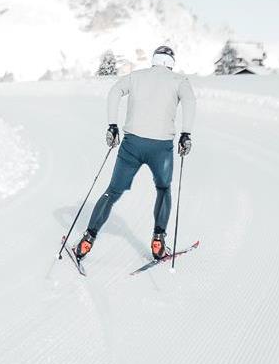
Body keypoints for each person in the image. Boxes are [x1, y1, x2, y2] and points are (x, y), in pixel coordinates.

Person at [73, 44, 197, 265]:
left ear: (153, 60)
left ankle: (87, 239)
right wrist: (186, 134)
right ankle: (158, 241)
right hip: (161, 148)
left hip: (132, 144)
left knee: (112, 192)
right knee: (163, 189)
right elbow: (190, 102)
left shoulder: (136, 77)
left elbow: (114, 92)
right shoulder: (179, 81)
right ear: (171, 63)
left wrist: (112, 126)